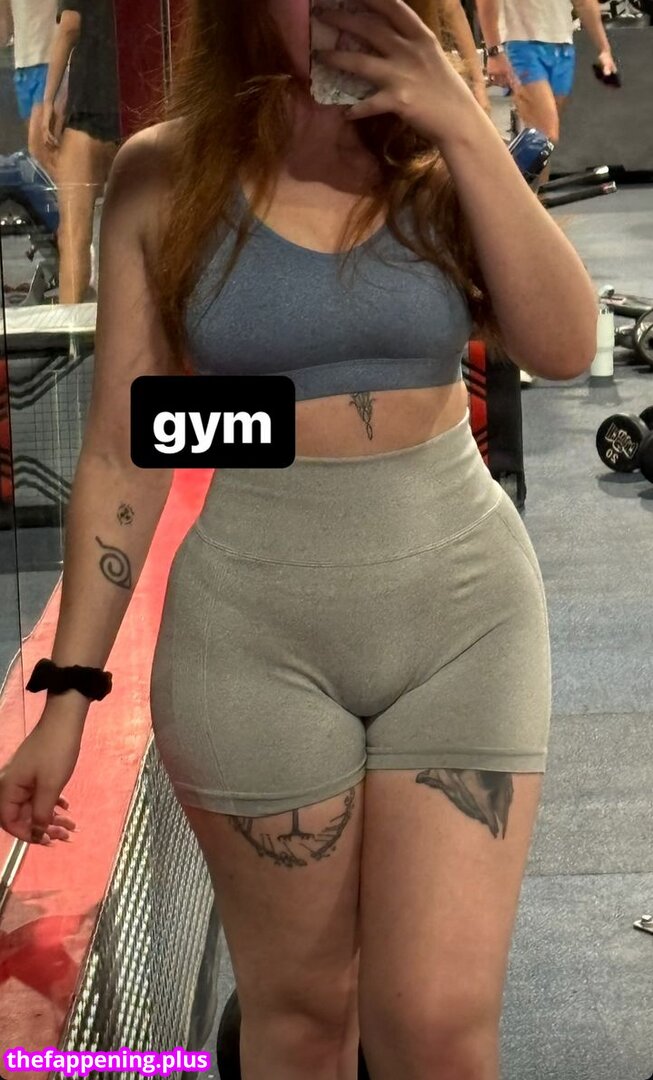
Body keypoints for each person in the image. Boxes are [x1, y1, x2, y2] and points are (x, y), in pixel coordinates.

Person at [0, 2, 598, 1078]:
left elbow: (561, 346)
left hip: (462, 619)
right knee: (306, 1018)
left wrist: (460, 118)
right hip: (253, 634)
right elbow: (127, 452)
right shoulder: (164, 174)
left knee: (437, 1025)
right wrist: (67, 697)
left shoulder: (440, 153)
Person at [476, 0, 617, 178]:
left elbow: (584, 2)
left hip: (562, 45)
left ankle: (532, 193)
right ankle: (507, 189)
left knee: (545, 144)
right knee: (545, 136)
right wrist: (494, 51)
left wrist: (604, 49)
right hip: (521, 42)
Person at [41, 0, 121, 303]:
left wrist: (48, 99)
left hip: (92, 102)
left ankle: (73, 327)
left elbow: (70, 27)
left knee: (74, 234)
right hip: (139, 101)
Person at [0, 0, 60, 174]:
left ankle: (74, 189)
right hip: (22, 67)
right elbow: (4, 30)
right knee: (46, 154)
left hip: (50, 62)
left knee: (39, 150)